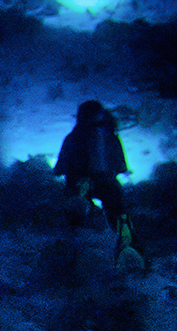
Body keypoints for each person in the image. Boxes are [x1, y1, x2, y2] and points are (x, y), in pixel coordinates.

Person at [54, 100, 146, 268]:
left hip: (80, 184)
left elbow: (60, 167)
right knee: (119, 215)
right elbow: (121, 166)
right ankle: (129, 251)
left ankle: (74, 257)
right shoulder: (110, 136)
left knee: (77, 217)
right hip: (107, 181)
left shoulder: (74, 137)